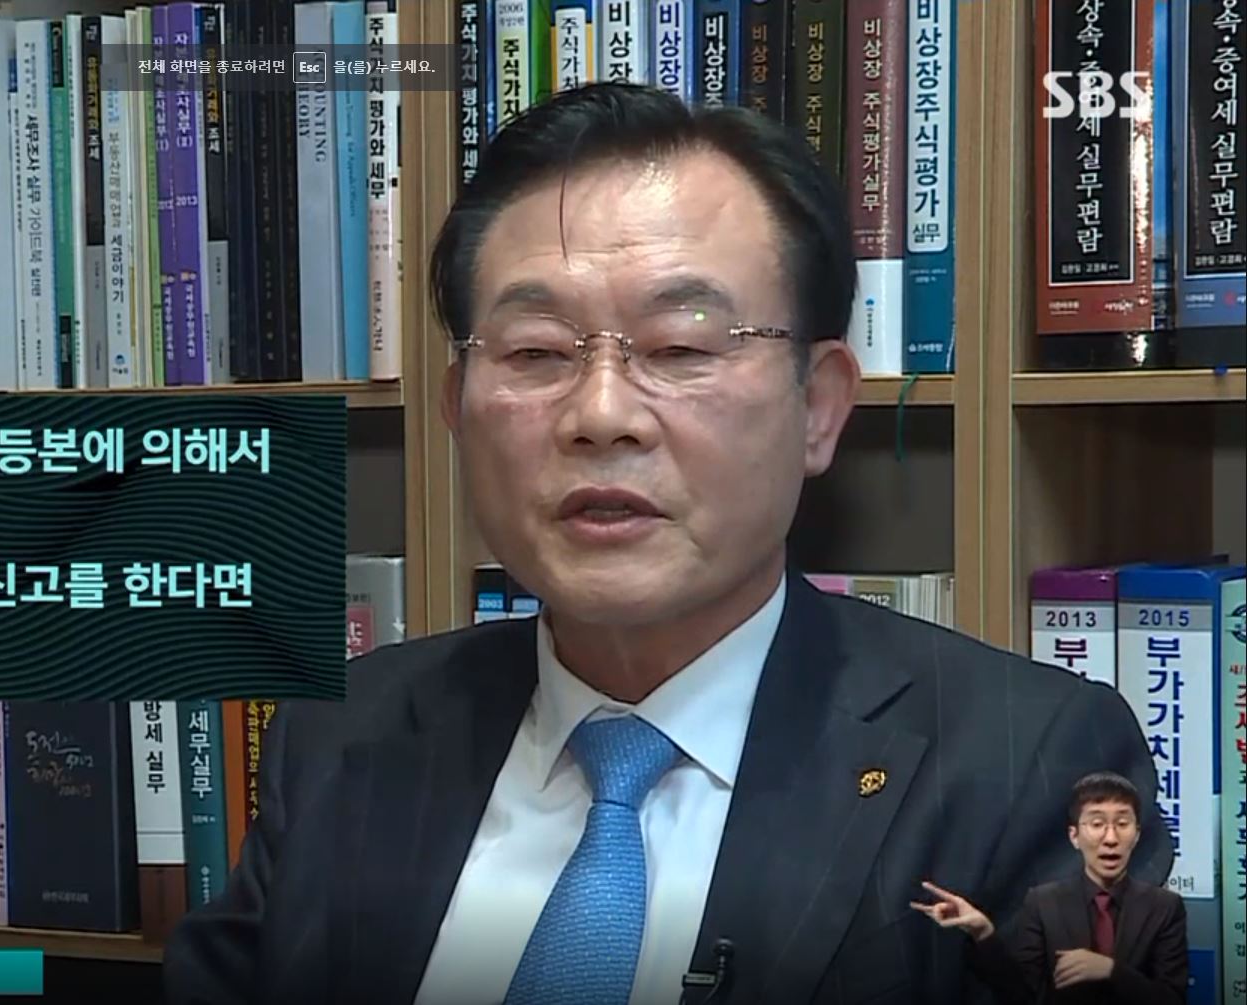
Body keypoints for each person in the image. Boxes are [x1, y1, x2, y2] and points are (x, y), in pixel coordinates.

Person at [160, 81, 1171, 1005]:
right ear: (456, 407)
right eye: (535, 352)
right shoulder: (342, 736)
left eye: (681, 347)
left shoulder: (1023, 763)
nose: (601, 416)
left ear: (820, 409)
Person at [912, 771, 1189, 1004]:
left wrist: (1111, 970)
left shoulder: (1164, 907)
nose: (1110, 838)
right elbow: (1022, 995)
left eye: (1122, 824)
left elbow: (1172, 999)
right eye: (1097, 824)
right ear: (1074, 836)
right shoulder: (1043, 902)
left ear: (1137, 835)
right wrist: (982, 932)